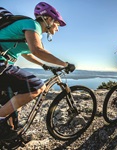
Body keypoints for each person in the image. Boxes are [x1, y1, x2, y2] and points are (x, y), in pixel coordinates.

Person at [0, 2, 75, 140]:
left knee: (11, 104)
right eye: (57, 23)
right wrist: (65, 64)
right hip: (1, 64)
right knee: (38, 87)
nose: (57, 28)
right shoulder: (32, 24)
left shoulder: (29, 30)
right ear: (48, 19)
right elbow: (37, 50)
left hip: (3, 64)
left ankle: (7, 136)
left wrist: (43, 65)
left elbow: (26, 53)